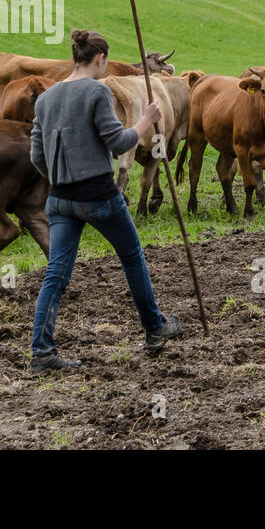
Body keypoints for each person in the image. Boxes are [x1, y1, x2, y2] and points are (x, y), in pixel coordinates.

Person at [27, 28, 181, 373]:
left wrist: (58, 174)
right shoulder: (97, 90)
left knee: (56, 274)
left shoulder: (46, 99)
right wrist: (147, 120)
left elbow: (36, 154)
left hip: (60, 199)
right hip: (98, 195)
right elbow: (119, 143)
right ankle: (155, 328)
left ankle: (42, 352)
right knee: (131, 256)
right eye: (105, 61)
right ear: (100, 59)